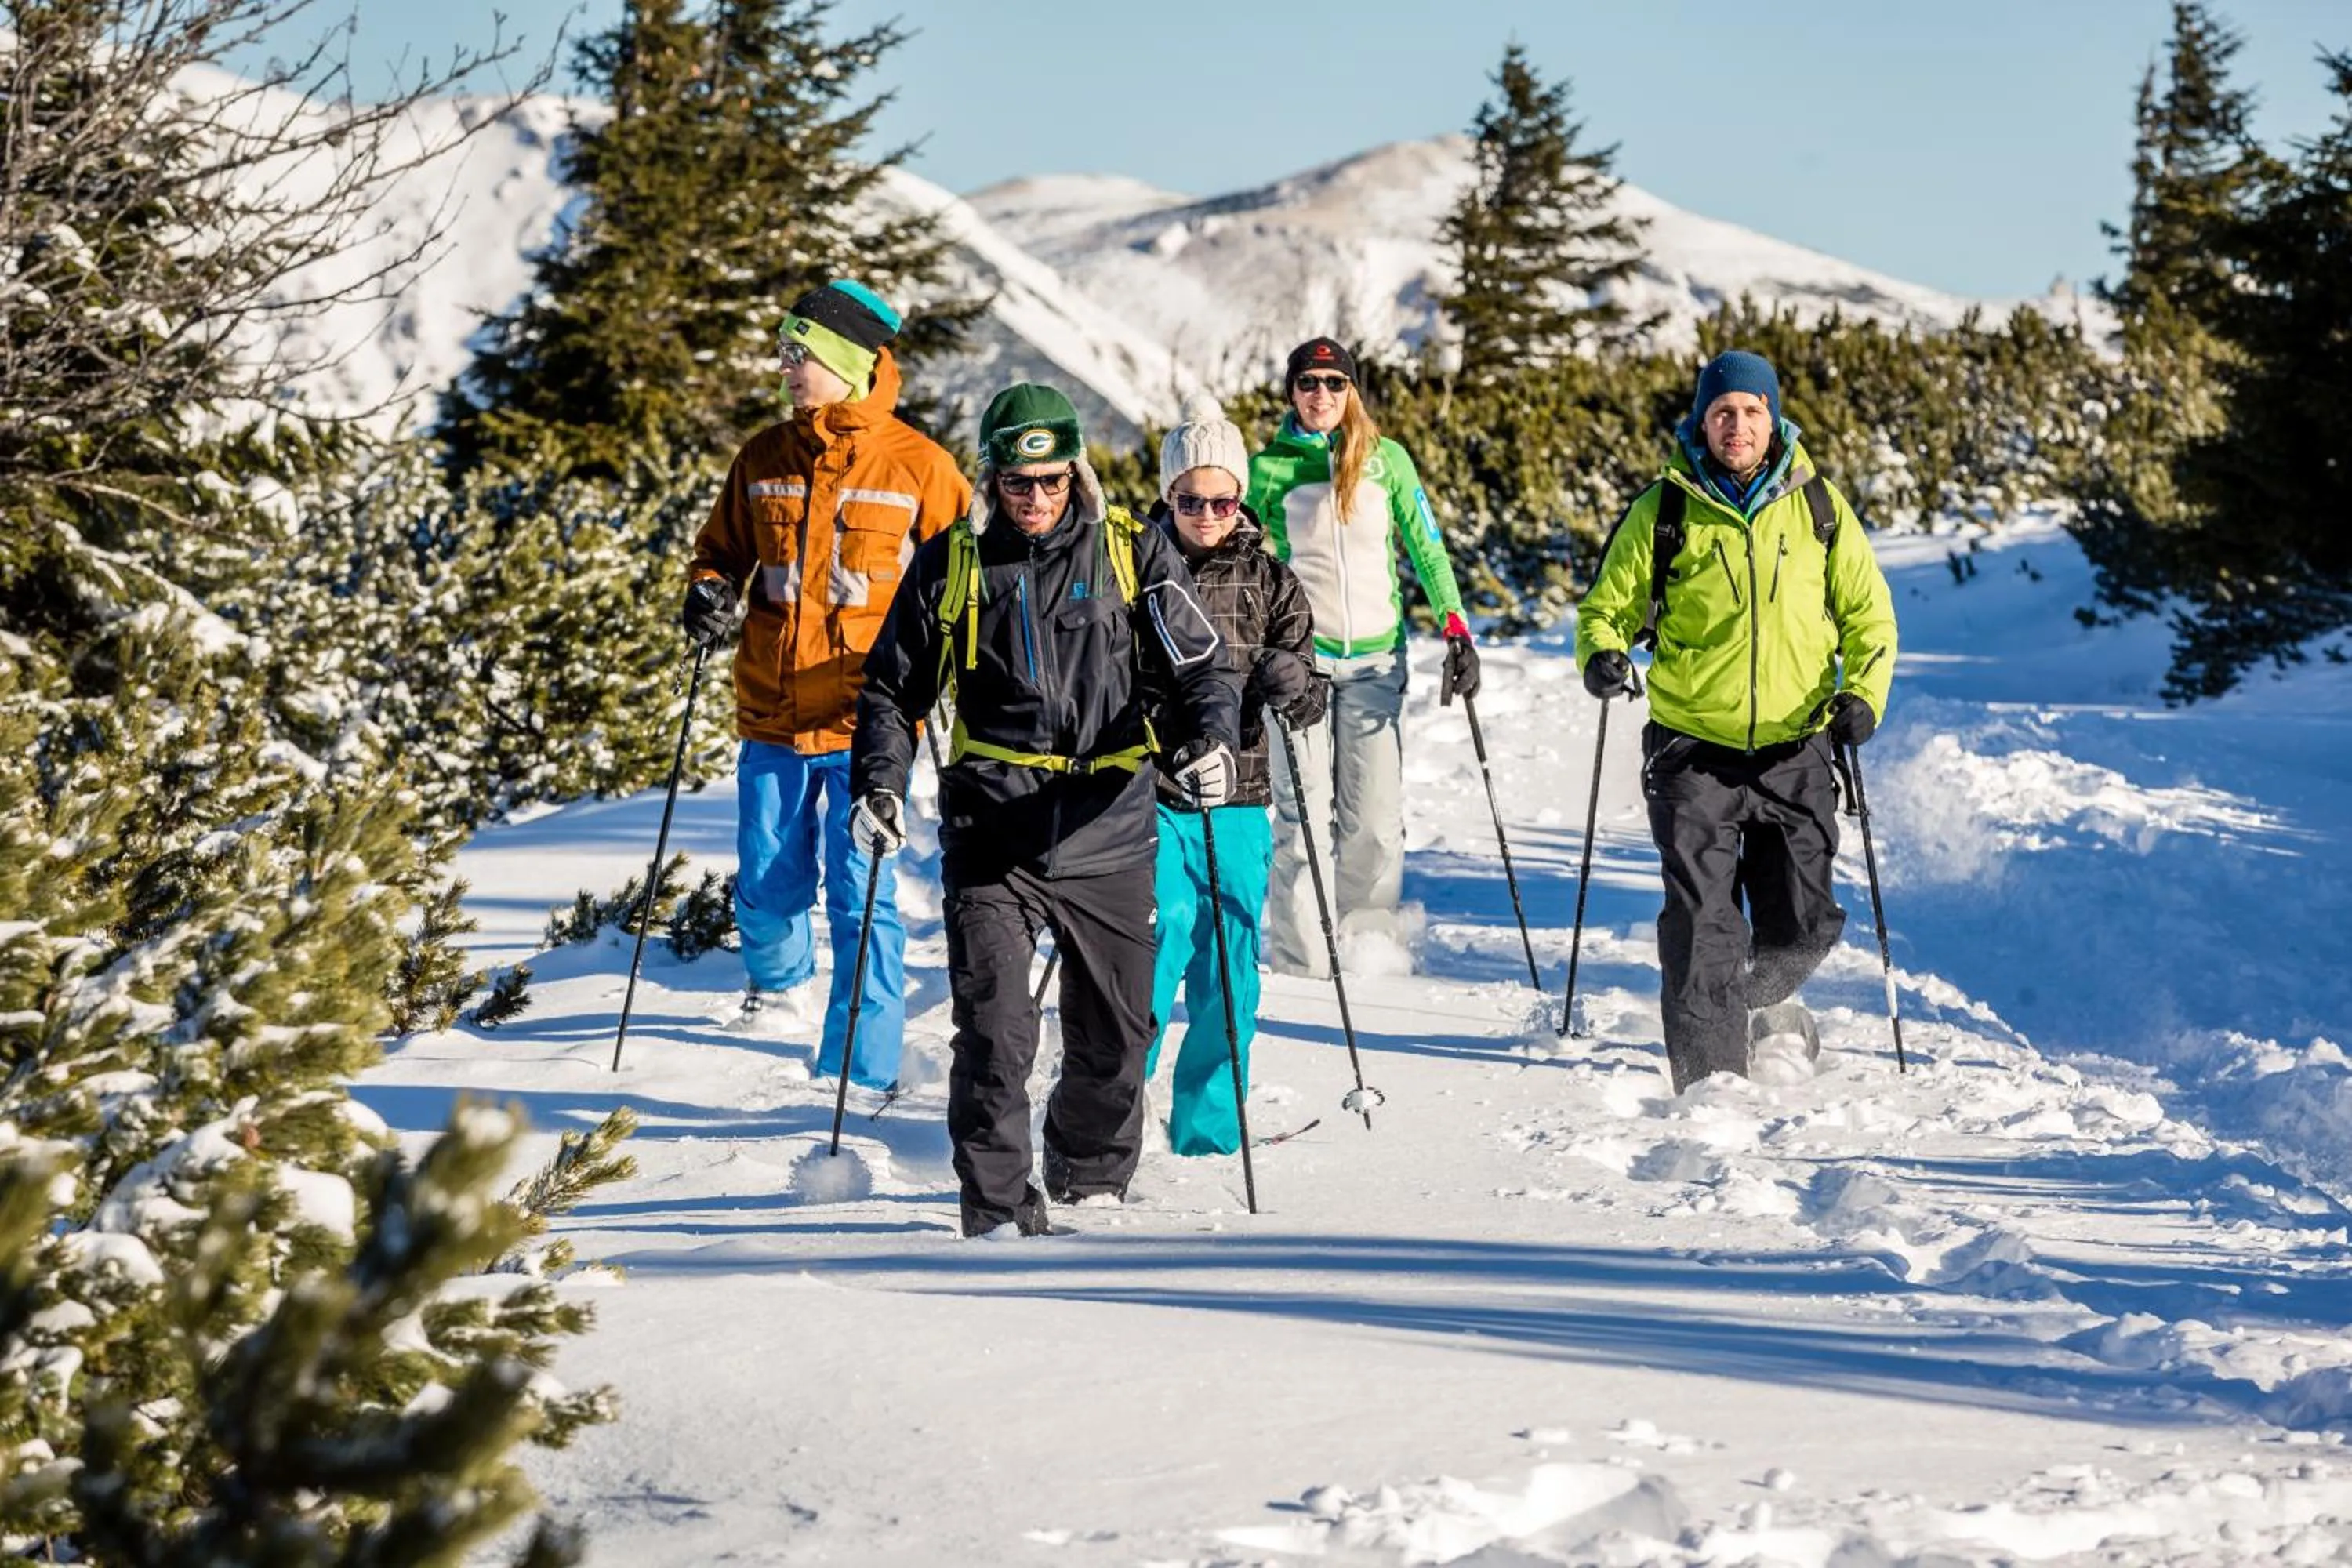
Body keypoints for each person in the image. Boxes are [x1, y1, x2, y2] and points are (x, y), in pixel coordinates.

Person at [848, 383, 1242, 1238]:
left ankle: (1088, 1177)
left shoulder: (1132, 553)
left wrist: (1208, 739)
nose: (1035, 499)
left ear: (1078, 476)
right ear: (992, 478)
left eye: (1052, 480)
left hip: (1110, 821)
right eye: (1017, 482)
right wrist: (879, 783)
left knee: (1118, 1034)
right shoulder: (953, 562)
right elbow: (890, 688)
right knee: (994, 1032)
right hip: (993, 830)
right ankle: (993, 1212)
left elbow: (1199, 668)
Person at [1574, 350, 1898, 1094]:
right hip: (1693, 750)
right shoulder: (1666, 508)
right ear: (1702, 421)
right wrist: (1603, 653)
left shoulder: (1819, 506)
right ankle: (1710, 1082)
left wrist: (1867, 697)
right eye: (1723, 412)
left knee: (1800, 921)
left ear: (1774, 418)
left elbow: (1869, 616)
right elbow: (1606, 608)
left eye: (1752, 411)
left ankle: (1773, 1003)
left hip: (1797, 746)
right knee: (1701, 926)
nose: (1738, 425)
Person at [681, 279, 968, 1087]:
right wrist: (708, 589)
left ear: (846, 361)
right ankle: (776, 986)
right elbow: (722, 552)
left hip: (868, 721)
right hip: (771, 714)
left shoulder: (920, 465)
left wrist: (954, 651)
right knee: (768, 888)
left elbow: (972, 576)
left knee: (862, 899)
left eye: (799, 352)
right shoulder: (764, 456)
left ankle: (861, 1070)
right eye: (785, 350)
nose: (786, 365)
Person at [1247, 337, 1479, 978]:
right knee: (1301, 815)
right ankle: (1302, 965)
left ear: (1352, 390)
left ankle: (1368, 955)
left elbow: (1426, 547)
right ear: (1290, 391)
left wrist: (1456, 626)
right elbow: (1246, 568)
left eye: (1333, 382)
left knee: (1374, 821)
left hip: (1378, 663)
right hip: (1303, 667)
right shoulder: (1267, 469)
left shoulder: (1387, 461)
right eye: (1308, 382)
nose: (1321, 394)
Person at [1142, 394, 1324, 1156]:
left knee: (1229, 963)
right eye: (1191, 499)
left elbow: (1311, 688)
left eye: (1222, 499)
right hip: (1151, 794)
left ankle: (1208, 1128)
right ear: (1167, 495)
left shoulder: (1272, 580)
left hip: (1243, 794)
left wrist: (1293, 680)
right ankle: (1110, 1109)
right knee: (1156, 944)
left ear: (1241, 498)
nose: (1207, 512)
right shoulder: (1134, 567)